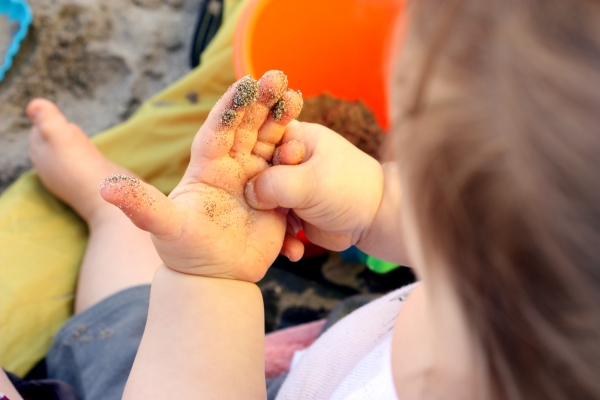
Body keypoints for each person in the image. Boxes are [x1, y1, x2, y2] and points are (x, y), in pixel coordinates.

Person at [3, 0, 600, 399]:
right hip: (331, 360)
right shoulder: (532, 299)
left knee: (130, 325)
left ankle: (101, 212)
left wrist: (209, 283)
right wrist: (375, 200)